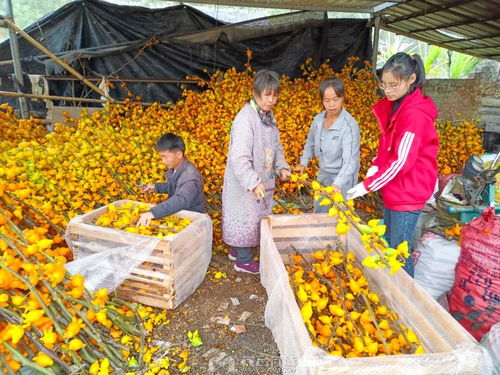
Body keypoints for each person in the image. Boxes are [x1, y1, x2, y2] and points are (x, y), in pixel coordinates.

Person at [346, 52, 439, 277]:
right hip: (396, 188)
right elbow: (389, 146)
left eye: (393, 85)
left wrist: (369, 184)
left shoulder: (414, 114)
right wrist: (377, 164)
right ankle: (393, 288)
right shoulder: (396, 107)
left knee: (399, 251)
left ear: (411, 79)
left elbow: (402, 162)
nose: (387, 90)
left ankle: (407, 300)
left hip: (409, 191)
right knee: (389, 242)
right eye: (384, 84)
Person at [222, 70, 291, 274]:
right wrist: (252, 182)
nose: (271, 100)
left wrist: (282, 167)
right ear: (255, 93)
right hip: (245, 181)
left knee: (254, 216)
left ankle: (237, 251)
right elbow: (239, 157)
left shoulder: (268, 117)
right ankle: (243, 260)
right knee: (245, 215)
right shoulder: (246, 118)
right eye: (266, 95)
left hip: (263, 177)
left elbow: (275, 147)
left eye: (274, 95)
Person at [299, 77, 360, 212]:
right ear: (322, 101)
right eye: (327, 101)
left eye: (335, 99)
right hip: (324, 173)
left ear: (343, 97)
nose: (331, 104)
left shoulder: (349, 125)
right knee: (320, 212)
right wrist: (304, 162)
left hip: (344, 178)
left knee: (342, 216)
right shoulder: (319, 120)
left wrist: (337, 184)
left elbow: (350, 161)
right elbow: (310, 142)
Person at [136, 133, 205, 226]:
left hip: (191, 221)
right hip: (181, 216)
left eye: (165, 157)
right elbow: (175, 186)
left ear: (179, 154)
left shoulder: (190, 177)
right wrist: (156, 187)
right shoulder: (176, 169)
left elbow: (181, 199)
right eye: (161, 157)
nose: (163, 161)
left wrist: (153, 212)